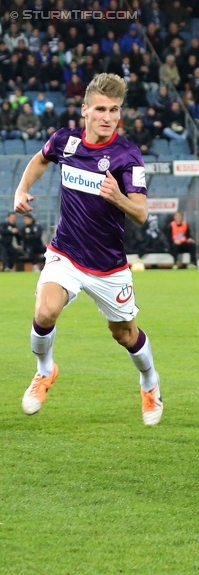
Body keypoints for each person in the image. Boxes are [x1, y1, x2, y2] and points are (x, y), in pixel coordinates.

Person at [14, 73, 163, 427]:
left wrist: (118, 198)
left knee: (124, 334)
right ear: (84, 111)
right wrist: (21, 190)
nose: (107, 117)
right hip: (66, 253)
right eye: (100, 109)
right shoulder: (65, 142)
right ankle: (44, 372)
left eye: (114, 110)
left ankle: (150, 383)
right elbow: (40, 159)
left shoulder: (127, 155)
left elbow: (141, 214)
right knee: (45, 310)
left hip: (109, 266)